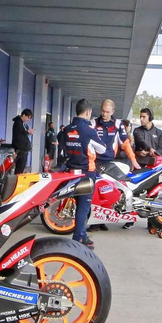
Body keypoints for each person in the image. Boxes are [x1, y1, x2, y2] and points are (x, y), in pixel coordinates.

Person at [58, 100, 110, 248]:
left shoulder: (67, 129)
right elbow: (102, 149)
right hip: (87, 173)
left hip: (70, 172)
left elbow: (61, 150)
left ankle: (82, 234)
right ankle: (77, 238)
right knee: (84, 206)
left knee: (79, 205)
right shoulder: (88, 130)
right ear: (88, 113)